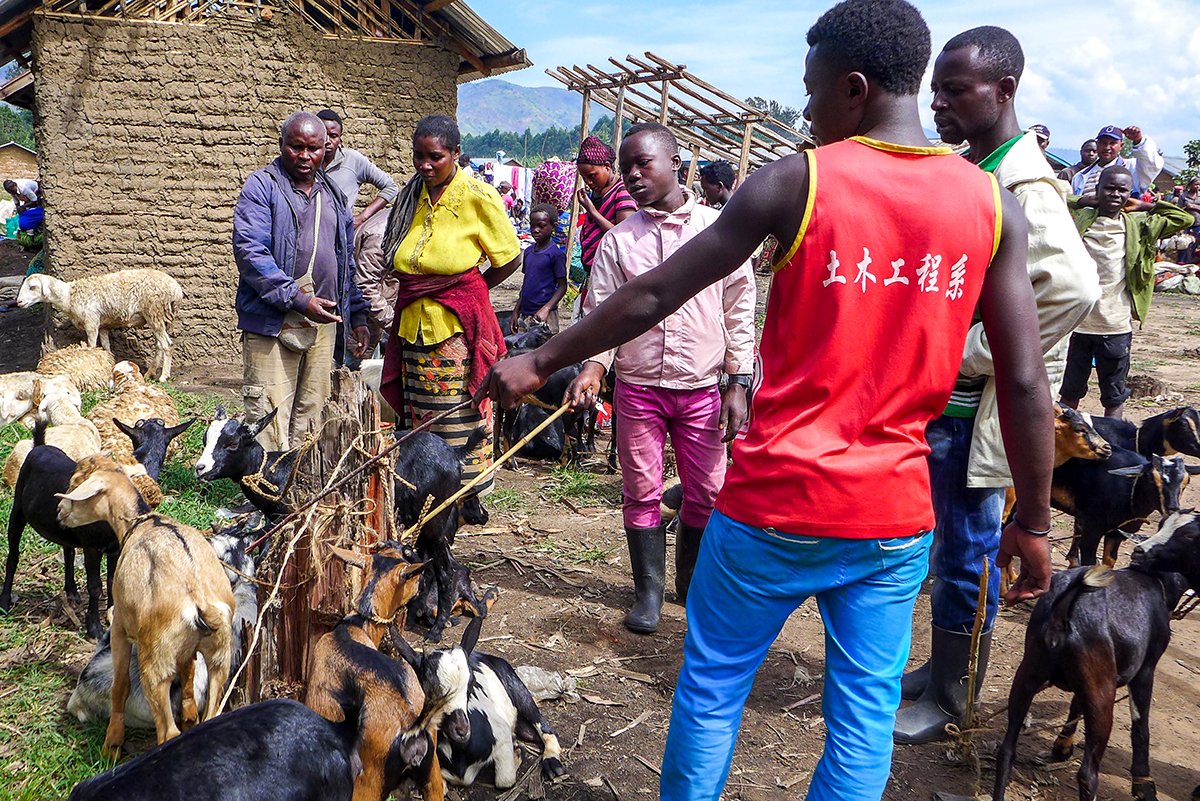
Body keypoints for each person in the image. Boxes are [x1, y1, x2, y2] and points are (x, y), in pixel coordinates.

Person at [484, 1, 1055, 798]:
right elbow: (1027, 379)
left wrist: (539, 358)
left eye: (812, 90)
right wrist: (1032, 522)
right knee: (861, 715)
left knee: (714, 688)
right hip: (892, 518)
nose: (807, 107)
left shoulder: (799, 181)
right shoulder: (991, 206)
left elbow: (656, 294)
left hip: (773, 505)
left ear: (854, 89)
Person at [894, 25, 1100, 745]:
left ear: (1004, 90)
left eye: (956, 90)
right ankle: (940, 668)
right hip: (945, 407)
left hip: (972, 410)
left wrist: (970, 350)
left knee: (967, 550)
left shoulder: (1024, 183)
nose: (939, 104)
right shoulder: (980, 166)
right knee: (945, 543)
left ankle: (954, 695)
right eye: (936, 90)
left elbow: (1072, 287)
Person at [567, 122, 755, 634]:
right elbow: (601, 314)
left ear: (676, 163)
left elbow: (739, 310)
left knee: (708, 490)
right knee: (642, 489)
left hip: (701, 389)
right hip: (639, 388)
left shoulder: (719, 231)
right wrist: (593, 366)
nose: (631, 175)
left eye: (642, 163)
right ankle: (647, 593)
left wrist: (739, 380)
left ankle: (689, 587)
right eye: (626, 166)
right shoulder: (620, 242)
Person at [376, 114, 521, 494]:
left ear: (456, 153)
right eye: (418, 156)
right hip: (411, 327)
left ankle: (465, 495)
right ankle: (428, 490)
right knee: (422, 418)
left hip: (454, 332)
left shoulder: (477, 196)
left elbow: (509, 257)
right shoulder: (413, 197)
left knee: (458, 414)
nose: (424, 165)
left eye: (435, 157)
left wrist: (469, 291)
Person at [232, 111, 370, 450]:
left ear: (328, 149)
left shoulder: (334, 196)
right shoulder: (262, 187)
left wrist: (358, 314)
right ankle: (264, 494)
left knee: (313, 413)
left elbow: (344, 262)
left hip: (324, 322)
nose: (305, 156)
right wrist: (297, 298)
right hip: (272, 321)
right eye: (296, 147)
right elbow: (251, 253)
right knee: (268, 412)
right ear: (281, 145)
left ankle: (300, 494)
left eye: (314, 148)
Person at [1059, 166, 1192, 419]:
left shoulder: (1139, 224)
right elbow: (1055, 201)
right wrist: (1083, 200)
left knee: (1114, 395)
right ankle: (1064, 447)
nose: (1115, 194)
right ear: (1098, 190)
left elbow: (1183, 219)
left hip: (1115, 324)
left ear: (1129, 194)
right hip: (1078, 323)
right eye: (1109, 188)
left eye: (1122, 190)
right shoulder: (1080, 218)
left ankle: (1114, 445)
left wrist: (1145, 206)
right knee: (1070, 391)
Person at [316, 109, 399, 229]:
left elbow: (391, 187)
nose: (327, 141)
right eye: (323, 135)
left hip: (340, 235)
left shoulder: (352, 160)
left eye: (333, 136)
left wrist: (362, 217)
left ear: (340, 137)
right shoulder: (305, 162)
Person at [575, 135, 638, 292]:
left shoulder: (622, 191)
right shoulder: (597, 193)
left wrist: (592, 211)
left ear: (607, 166)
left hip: (611, 276)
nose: (588, 182)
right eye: (584, 178)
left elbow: (623, 236)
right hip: (594, 273)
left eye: (592, 176)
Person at [510, 204, 567, 334]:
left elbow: (562, 286)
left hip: (545, 316)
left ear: (554, 226)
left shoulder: (555, 254)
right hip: (525, 314)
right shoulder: (529, 252)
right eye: (532, 226)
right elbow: (526, 284)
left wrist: (546, 309)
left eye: (541, 226)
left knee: (545, 351)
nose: (535, 230)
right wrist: (516, 311)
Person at [1071, 125, 1163, 198]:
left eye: (1112, 143)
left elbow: (1152, 165)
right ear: (1097, 144)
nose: (1107, 148)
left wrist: (1138, 141)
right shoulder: (1080, 176)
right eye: (1103, 143)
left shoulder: (1132, 167)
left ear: (1121, 146)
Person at [351, 208, 394, 352]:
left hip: (374, 317)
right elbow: (365, 286)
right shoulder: (382, 236)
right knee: (354, 367)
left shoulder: (397, 221)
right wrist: (395, 324)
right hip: (360, 319)